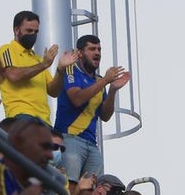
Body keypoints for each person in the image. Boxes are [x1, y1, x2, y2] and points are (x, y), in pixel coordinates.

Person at [55, 33, 130, 183]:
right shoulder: (71, 71)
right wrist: (106, 81)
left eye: (99, 49)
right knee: (70, 184)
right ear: (80, 53)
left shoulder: (99, 80)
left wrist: (113, 89)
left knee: (92, 191)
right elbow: (76, 99)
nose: (97, 53)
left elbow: (105, 116)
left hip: (92, 143)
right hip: (70, 138)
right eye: (92, 49)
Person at [0, 9, 75, 122]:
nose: (33, 35)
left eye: (36, 31)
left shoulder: (37, 59)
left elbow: (53, 91)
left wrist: (60, 69)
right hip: (22, 116)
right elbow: (13, 75)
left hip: (44, 120)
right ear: (16, 30)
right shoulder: (6, 50)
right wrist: (44, 64)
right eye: (29, 30)